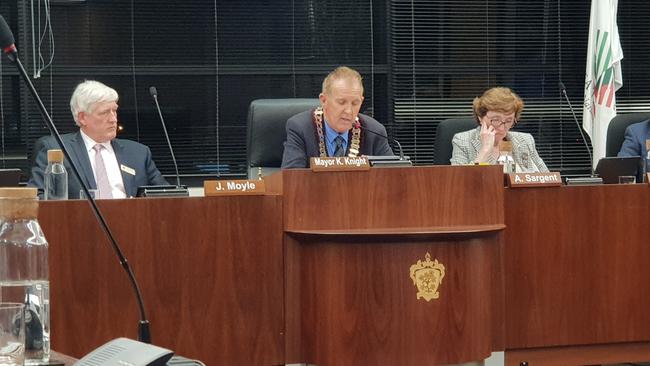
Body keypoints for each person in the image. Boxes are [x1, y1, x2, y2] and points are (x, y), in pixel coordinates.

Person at [28, 80, 168, 199]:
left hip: (131, 225)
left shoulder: (138, 153)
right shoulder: (58, 150)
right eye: (105, 112)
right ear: (83, 117)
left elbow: (167, 196)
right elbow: (37, 196)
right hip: (78, 225)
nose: (113, 119)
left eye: (114, 111)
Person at [281, 66, 394, 169]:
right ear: (324, 100)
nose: (349, 111)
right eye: (341, 102)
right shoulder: (301, 128)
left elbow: (392, 179)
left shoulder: (374, 132)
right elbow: (291, 180)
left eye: (355, 103)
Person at [450, 87, 548, 172]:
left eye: (509, 120)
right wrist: (485, 150)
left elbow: (549, 178)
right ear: (480, 117)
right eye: (496, 120)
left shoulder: (525, 140)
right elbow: (460, 181)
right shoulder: (462, 141)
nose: (502, 128)